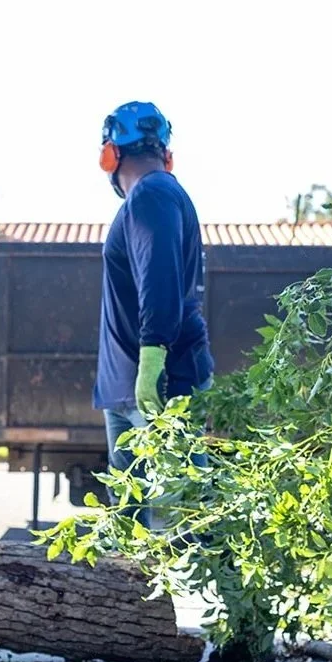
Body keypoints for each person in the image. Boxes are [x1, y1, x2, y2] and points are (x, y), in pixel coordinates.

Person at [93, 101, 213, 518]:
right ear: (165, 151)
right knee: (131, 526)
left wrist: (153, 359)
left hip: (157, 385)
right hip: (128, 386)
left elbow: (160, 276)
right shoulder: (150, 196)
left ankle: (218, 583)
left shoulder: (153, 192)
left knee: (187, 518)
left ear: (110, 154)